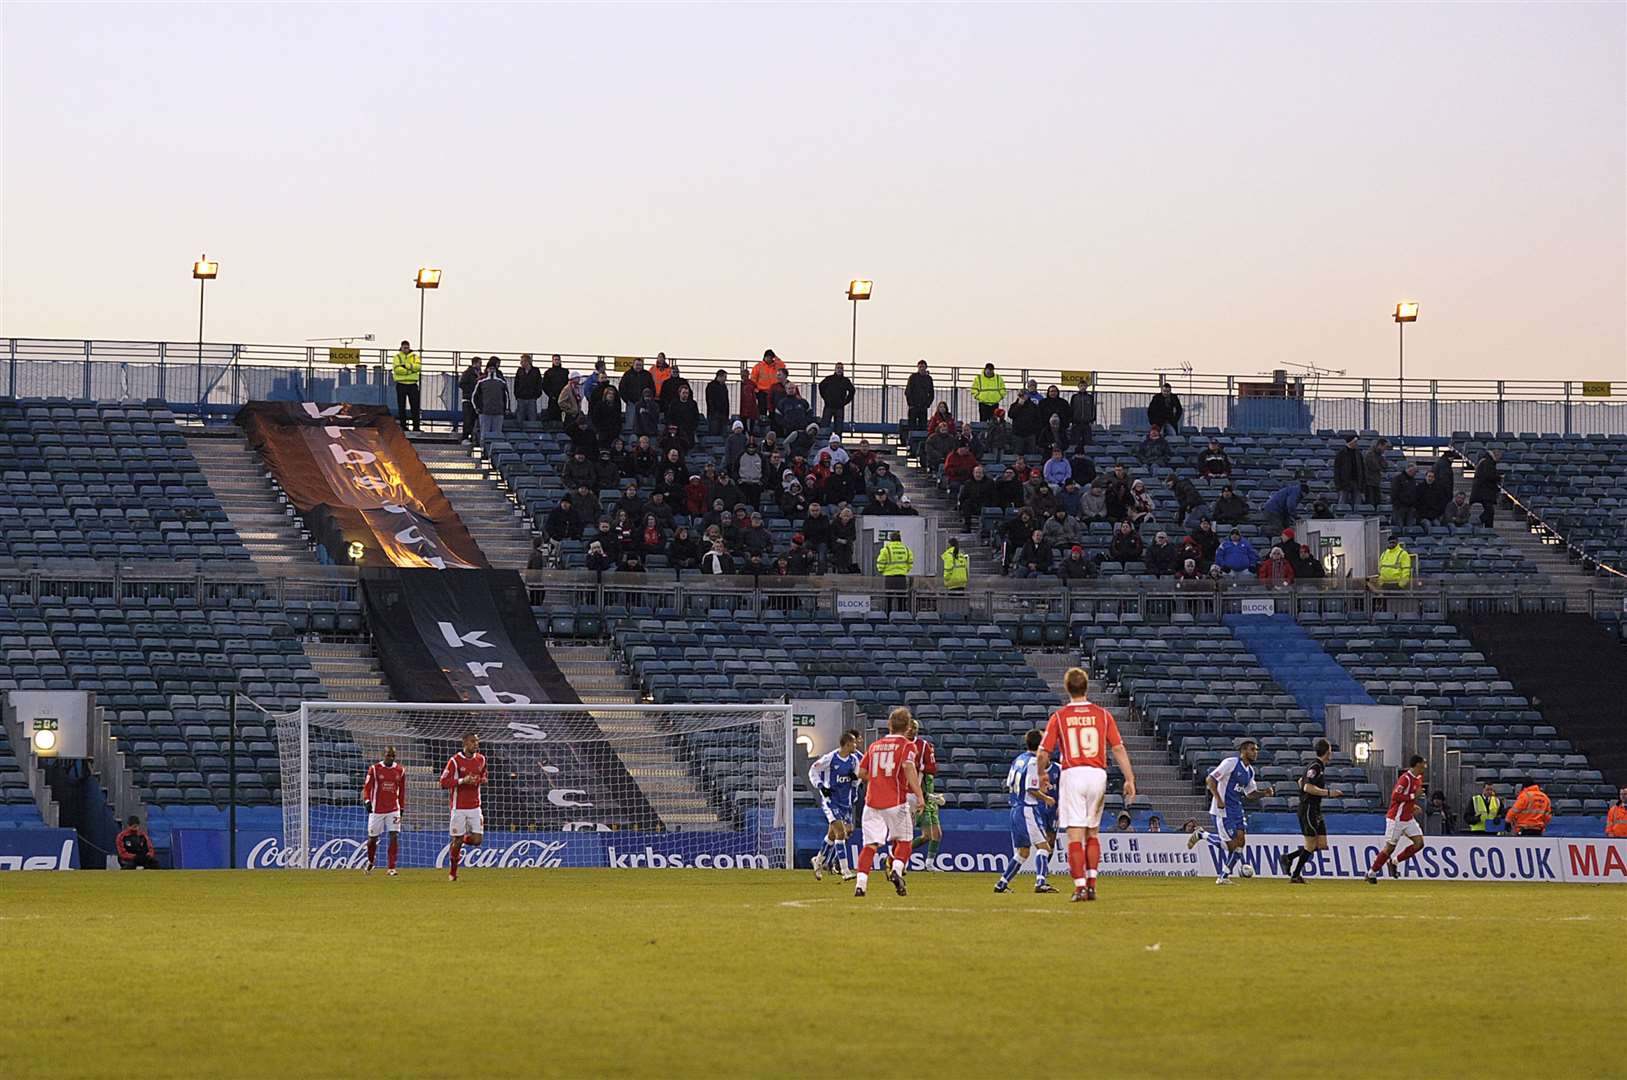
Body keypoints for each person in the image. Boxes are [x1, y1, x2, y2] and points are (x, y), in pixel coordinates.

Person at [1035, 667, 1136, 903]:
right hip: (1097, 774)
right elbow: (1118, 748)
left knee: (1074, 836)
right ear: (1086, 687)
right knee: (1093, 833)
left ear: (1067, 687)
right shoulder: (1103, 715)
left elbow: (1043, 753)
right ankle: (1091, 885)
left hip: (1073, 773)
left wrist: (1041, 774)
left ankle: (1079, 887)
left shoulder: (1059, 717)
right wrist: (1129, 778)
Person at [853, 707, 925, 898]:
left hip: (871, 802)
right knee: (905, 841)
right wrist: (919, 795)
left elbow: (860, 772)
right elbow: (909, 769)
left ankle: (861, 885)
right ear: (908, 726)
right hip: (895, 802)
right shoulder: (908, 746)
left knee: (870, 846)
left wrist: (876, 780)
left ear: (889, 725)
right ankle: (897, 869)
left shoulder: (875, 745)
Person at [1185, 739, 1274, 884]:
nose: (1255, 752)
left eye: (1256, 749)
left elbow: (1250, 793)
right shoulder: (1231, 763)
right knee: (1230, 846)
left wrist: (1264, 793)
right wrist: (1219, 799)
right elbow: (1210, 779)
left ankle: (1224, 877)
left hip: (1237, 809)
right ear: (1243, 751)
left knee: (1241, 843)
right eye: (1252, 749)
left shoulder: (1250, 771)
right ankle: (1202, 834)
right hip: (1223, 810)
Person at [994, 729, 1060, 894]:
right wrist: (1046, 798)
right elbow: (1031, 788)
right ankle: (1041, 882)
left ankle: (1001, 884)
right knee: (1044, 848)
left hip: (1016, 808)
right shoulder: (1033, 762)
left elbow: (1010, 783)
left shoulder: (1019, 760)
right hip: (1027, 809)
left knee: (1023, 852)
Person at [1282, 738, 1344, 884]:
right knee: (1310, 844)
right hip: (1308, 808)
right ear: (1327, 752)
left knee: (1321, 844)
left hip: (1315, 809)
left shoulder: (1318, 767)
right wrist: (1328, 793)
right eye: (1330, 750)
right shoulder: (1316, 766)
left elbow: (1300, 781)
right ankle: (1296, 875)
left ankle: (1289, 857)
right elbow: (1306, 787)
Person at [809, 729, 863, 881]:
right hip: (831, 801)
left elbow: (857, 778)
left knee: (833, 835)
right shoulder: (830, 758)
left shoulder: (854, 760)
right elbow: (813, 770)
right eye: (853, 742)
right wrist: (820, 786)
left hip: (845, 801)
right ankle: (845, 870)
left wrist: (855, 779)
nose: (856, 745)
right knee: (841, 833)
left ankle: (818, 860)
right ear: (846, 744)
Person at [1366, 755, 1426, 883]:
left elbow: (1407, 798)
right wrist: (1412, 797)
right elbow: (1395, 796)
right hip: (1396, 819)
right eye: (1423, 764)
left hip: (1408, 818)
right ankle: (1371, 872)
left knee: (1419, 843)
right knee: (1389, 848)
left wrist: (1413, 805)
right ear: (1417, 765)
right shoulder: (1405, 779)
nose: (1425, 766)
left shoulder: (1419, 779)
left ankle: (1394, 862)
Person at [439, 732, 486, 883]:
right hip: (458, 807)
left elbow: (484, 776)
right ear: (465, 743)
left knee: (477, 840)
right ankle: (453, 873)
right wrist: (462, 781)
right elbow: (443, 782)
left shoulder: (481, 759)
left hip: (475, 807)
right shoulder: (454, 761)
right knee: (457, 842)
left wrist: (479, 779)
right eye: (473, 742)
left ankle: (458, 840)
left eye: (477, 742)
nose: (476, 744)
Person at [906, 718, 945, 870]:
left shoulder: (923, 747)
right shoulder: (902, 745)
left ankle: (929, 863)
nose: (911, 730)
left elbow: (931, 770)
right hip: (914, 797)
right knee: (925, 835)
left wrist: (932, 796)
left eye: (914, 727)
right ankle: (896, 857)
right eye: (909, 727)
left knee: (936, 834)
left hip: (926, 799)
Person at [362, 746, 407, 876]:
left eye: (393, 756)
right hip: (377, 809)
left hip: (393, 809)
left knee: (394, 835)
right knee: (372, 839)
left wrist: (402, 807)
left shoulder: (400, 770)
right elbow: (367, 788)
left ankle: (391, 867)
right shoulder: (375, 769)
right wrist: (367, 801)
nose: (391, 758)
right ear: (383, 755)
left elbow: (402, 791)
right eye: (388, 755)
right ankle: (371, 861)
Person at [875, 529, 914, 609]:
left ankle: (888, 615)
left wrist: (882, 570)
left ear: (891, 539)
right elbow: (910, 562)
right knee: (902, 599)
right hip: (902, 577)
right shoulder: (906, 549)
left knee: (888, 598)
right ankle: (902, 616)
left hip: (890, 577)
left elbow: (880, 562)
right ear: (900, 539)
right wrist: (905, 570)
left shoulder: (886, 549)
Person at [473, 359, 509, 443]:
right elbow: (474, 396)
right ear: (487, 369)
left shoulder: (501, 382)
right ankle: (484, 452)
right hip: (485, 412)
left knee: (497, 435)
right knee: (484, 435)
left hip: (498, 412)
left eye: (493, 368)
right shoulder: (481, 382)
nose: (491, 370)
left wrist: (506, 409)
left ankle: (495, 451)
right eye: (490, 368)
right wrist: (477, 408)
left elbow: (506, 396)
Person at [391, 339, 422, 432]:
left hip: (412, 384)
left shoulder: (415, 356)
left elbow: (418, 367)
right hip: (401, 385)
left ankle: (416, 427)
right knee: (401, 407)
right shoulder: (397, 357)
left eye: (407, 347)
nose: (406, 349)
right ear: (401, 347)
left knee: (415, 407)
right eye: (404, 347)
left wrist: (406, 366)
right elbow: (397, 369)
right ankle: (403, 426)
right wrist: (410, 370)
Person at [1470, 447, 1503, 527]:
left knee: (1490, 512)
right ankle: (1477, 523)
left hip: (1484, 491)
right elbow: (1489, 475)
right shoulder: (1488, 462)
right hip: (1485, 492)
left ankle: (1488, 528)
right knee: (1489, 511)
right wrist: (1499, 477)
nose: (1500, 459)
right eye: (1499, 457)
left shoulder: (1485, 461)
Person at [818, 363, 855, 433]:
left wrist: (846, 401)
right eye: (838, 368)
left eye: (841, 368)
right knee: (824, 426)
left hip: (839, 407)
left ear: (843, 370)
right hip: (828, 406)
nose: (839, 370)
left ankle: (838, 442)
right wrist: (825, 398)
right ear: (835, 369)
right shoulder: (829, 379)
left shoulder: (846, 381)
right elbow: (821, 386)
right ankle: (824, 442)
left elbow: (852, 391)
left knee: (839, 428)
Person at [750, 349, 787, 417]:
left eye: (770, 357)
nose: (769, 359)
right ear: (764, 357)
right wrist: (755, 389)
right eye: (767, 357)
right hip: (762, 391)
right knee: (762, 410)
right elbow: (753, 378)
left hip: (774, 391)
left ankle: (773, 422)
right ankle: (762, 423)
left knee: (773, 409)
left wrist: (776, 357)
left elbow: (783, 366)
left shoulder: (776, 366)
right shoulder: (758, 366)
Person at [1333, 434, 1363, 511]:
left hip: (1356, 482)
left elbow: (1362, 469)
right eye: (1355, 442)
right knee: (1342, 503)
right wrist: (1338, 484)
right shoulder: (1341, 454)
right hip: (1344, 483)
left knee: (1358, 505)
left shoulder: (1358, 454)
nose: (1356, 444)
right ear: (1351, 442)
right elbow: (1337, 470)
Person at [457, 355, 483, 441]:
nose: (481, 365)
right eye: (480, 363)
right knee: (467, 419)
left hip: (476, 401)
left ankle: (472, 437)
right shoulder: (468, 373)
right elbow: (461, 384)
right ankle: (465, 437)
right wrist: (473, 387)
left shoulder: (480, 373)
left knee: (473, 420)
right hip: (468, 399)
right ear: (474, 363)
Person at [512, 354, 543, 423]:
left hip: (532, 398)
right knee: (520, 418)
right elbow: (516, 383)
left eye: (522, 361)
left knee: (532, 417)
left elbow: (539, 383)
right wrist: (517, 395)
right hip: (521, 398)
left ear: (527, 361)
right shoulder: (519, 371)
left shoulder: (536, 371)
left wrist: (536, 395)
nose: (521, 363)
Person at [540, 354, 569, 422]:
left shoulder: (565, 372)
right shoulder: (548, 372)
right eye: (555, 360)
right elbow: (545, 385)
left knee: (563, 416)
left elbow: (567, 384)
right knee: (552, 415)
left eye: (558, 360)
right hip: (552, 398)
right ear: (552, 361)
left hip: (563, 398)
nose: (557, 361)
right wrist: (551, 395)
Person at [1363, 438, 1389, 510]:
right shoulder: (1370, 454)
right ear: (1380, 445)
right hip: (1369, 482)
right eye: (1385, 447)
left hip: (1376, 482)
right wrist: (1380, 464)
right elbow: (1375, 466)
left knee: (1377, 503)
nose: (1385, 449)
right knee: (1371, 504)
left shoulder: (1380, 456)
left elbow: (1385, 466)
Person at [1390, 463, 1419, 527]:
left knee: (1409, 528)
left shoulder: (1413, 480)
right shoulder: (1398, 479)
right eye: (1415, 472)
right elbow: (1394, 493)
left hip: (1410, 508)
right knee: (1399, 527)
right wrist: (1397, 505)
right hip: (1400, 508)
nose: (1415, 474)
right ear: (1410, 470)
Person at [705, 369, 732, 436]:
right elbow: (710, 401)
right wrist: (714, 411)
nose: (726, 379)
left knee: (722, 435)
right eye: (725, 377)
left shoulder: (724, 387)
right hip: (714, 415)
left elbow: (726, 401)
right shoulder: (711, 386)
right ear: (720, 376)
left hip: (722, 415)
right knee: (714, 434)